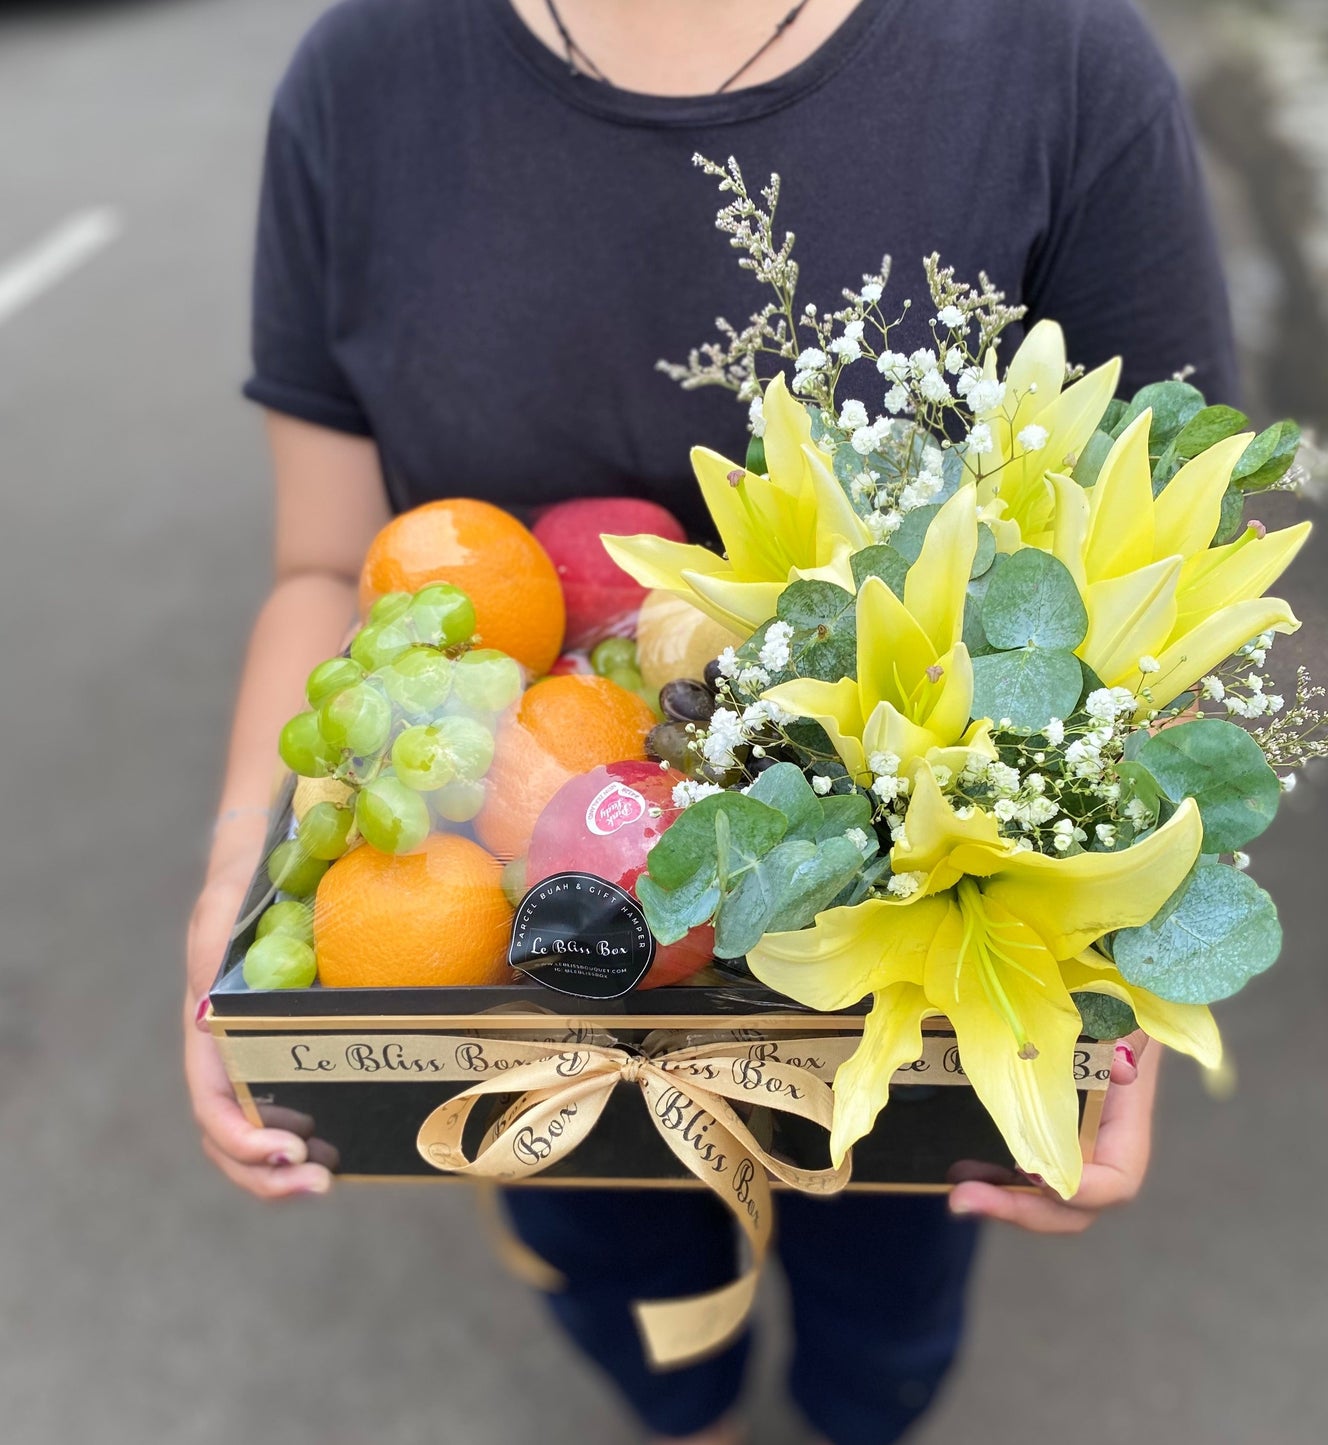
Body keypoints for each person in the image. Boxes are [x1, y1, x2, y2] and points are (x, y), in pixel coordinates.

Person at [185, 1, 1236, 1441]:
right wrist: (235, 878)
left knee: (890, 1311)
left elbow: (1149, 573)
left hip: (903, 975)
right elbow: (323, 564)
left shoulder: (1051, 61)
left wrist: (1128, 952)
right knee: (620, 1294)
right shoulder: (362, 78)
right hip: (516, 954)